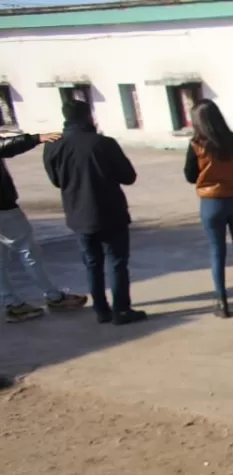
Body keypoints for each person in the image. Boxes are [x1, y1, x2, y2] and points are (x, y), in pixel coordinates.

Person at [44, 100, 146, 325]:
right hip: (110, 213)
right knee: (116, 263)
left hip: (78, 214)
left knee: (92, 264)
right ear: (88, 116)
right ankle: (121, 310)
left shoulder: (53, 146)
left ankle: (101, 310)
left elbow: (56, 180)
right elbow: (128, 176)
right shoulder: (103, 143)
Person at [2, 131, 88, 323]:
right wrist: (34, 138)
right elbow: (4, 146)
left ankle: (12, 304)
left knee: (2, 259)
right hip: (3, 209)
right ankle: (53, 296)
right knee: (29, 252)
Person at [185, 99, 233, 318]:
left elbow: (190, 175)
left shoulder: (196, 144)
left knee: (217, 251)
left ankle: (222, 301)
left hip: (211, 202)